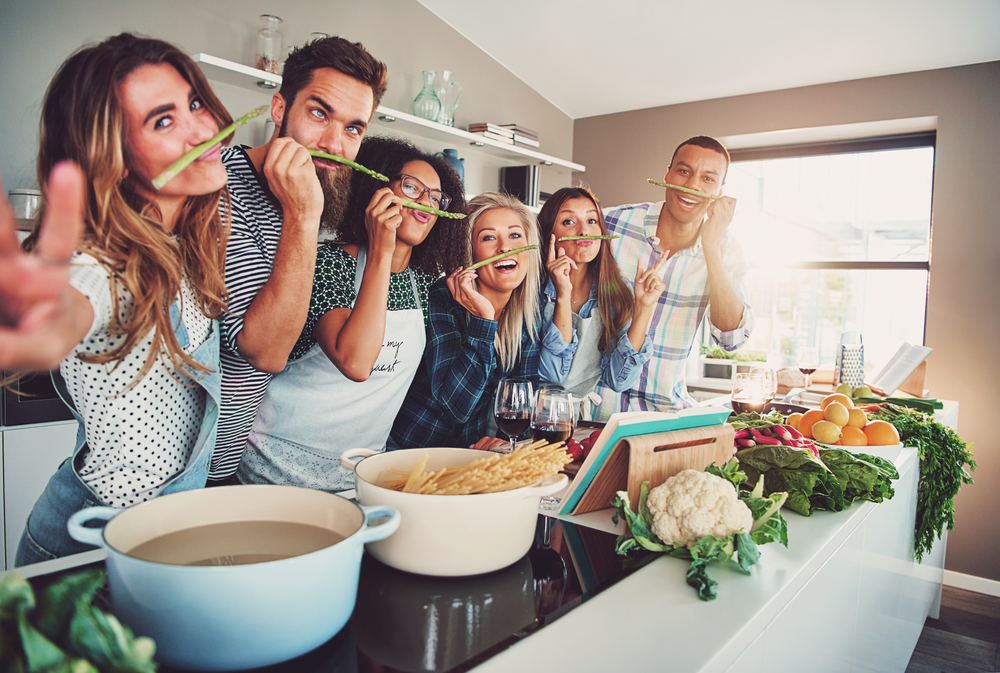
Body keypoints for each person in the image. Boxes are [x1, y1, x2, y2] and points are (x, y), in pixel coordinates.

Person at [15, 33, 233, 565]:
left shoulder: (186, 249)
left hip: (162, 539)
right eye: (163, 121)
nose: (200, 130)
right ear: (113, 155)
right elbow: (73, 299)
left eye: (195, 104)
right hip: (87, 552)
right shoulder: (103, 264)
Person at [236, 137, 466, 491]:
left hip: (360, 471)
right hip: (275, 468)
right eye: (412, 187)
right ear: (377, 191)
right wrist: (380, 250)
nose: (426, 202)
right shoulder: (330, 262)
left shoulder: (423, 284)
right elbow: (355, 361)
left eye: (436, 197)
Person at [214, 36, 388, 483]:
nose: (334, 143)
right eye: (318, 113)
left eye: (353, 128)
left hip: (225, 464)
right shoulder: (218, 194)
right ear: (278, 109)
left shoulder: (312, 196)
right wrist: (304, 215)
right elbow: (266, 352)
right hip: (173, 471)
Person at [594, 136, 754, 417]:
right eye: (684, 171)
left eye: (707, 178)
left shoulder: (726, 250)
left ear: (719, 190)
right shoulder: (611, 223)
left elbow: (731, 338)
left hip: (662, 418)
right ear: (667, 174)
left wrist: (711, 248)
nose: (692, 184)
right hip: (592, 413)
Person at [390, 192, 543, 450]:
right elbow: (454, 407)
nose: (505, 247)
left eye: (515, 235)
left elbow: (524, 398)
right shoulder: (443, 298)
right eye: (489, 237)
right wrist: (483, 321)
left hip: (467, 455)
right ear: (470, 252)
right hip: (410, 450)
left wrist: (506, 442)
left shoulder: (527, 311)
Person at [537, 185, 666, 408]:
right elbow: (553, 375)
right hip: (521, 419)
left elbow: (619, 380)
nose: (584, 231)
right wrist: (563, 296)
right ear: (549, 233)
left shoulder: (616, 291)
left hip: (571, 425)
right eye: (568, 222)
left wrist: (643, 308)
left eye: (592, 221)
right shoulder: (530, 289)